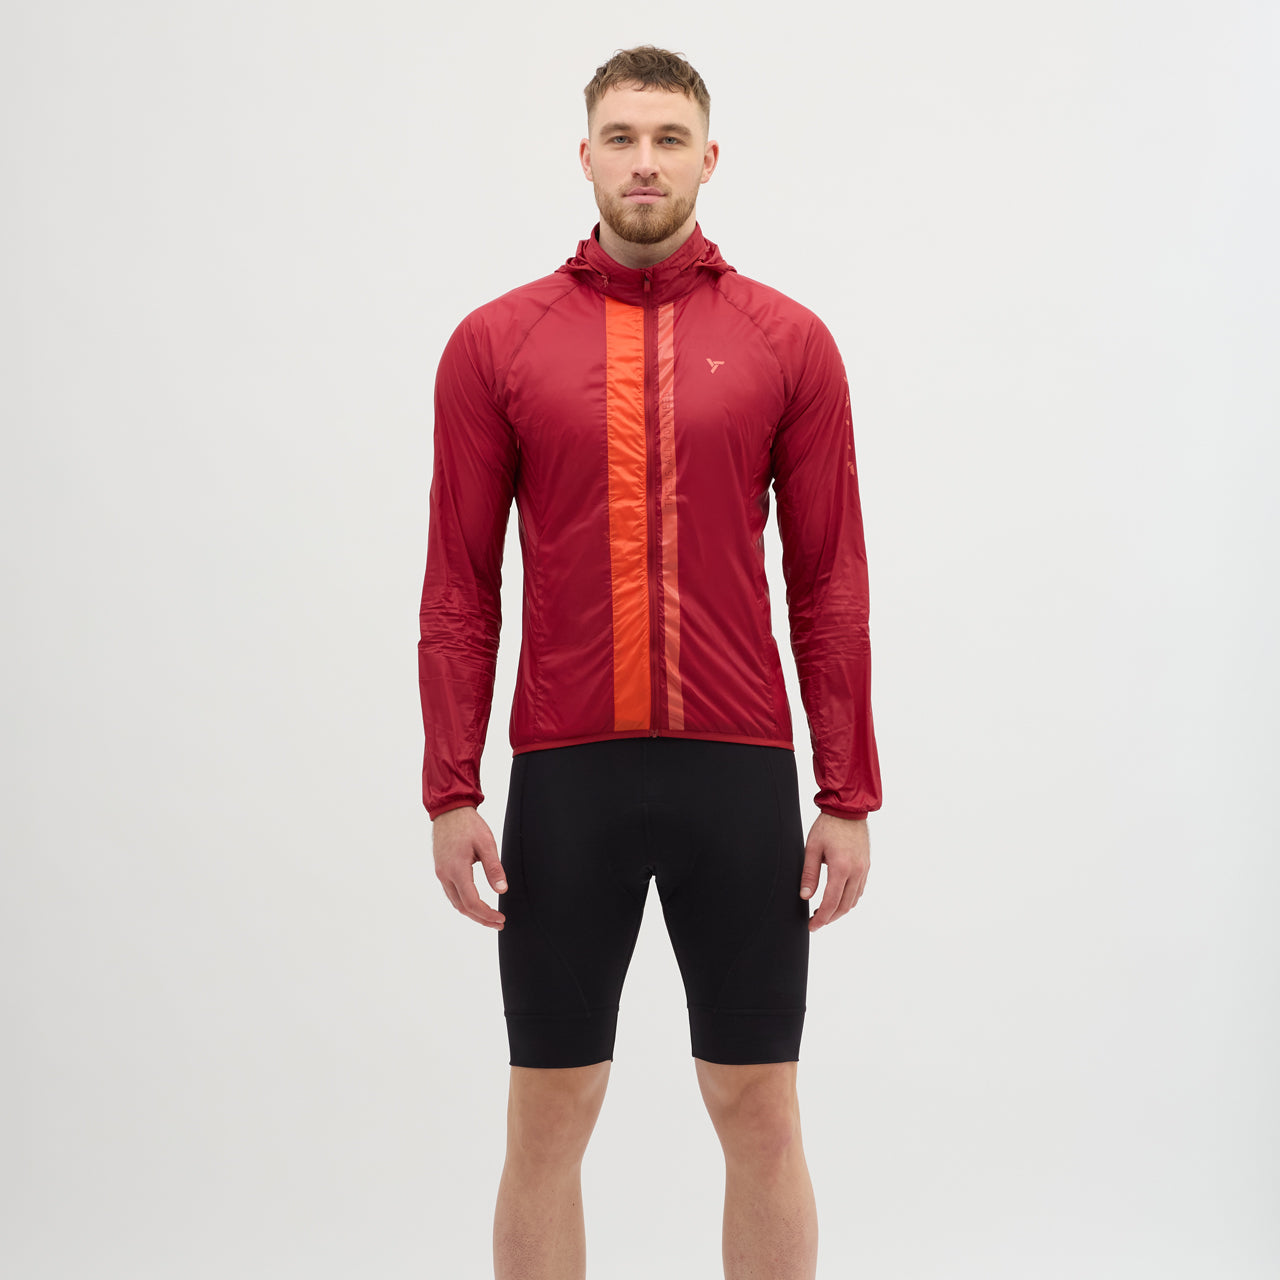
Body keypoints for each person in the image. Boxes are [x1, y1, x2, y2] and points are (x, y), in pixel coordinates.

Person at [418, 44, 882, 1280]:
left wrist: (845, 792)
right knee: (546, 1115)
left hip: (737, 773)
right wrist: (451, 785)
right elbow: (459, 585)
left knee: (759, 1107)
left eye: (667, 139)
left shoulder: (787, 341)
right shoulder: (495, 343)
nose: (643, 161)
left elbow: (828, 581)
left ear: (707, 158)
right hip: (566, 775)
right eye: (620, 137)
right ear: (583, 155)